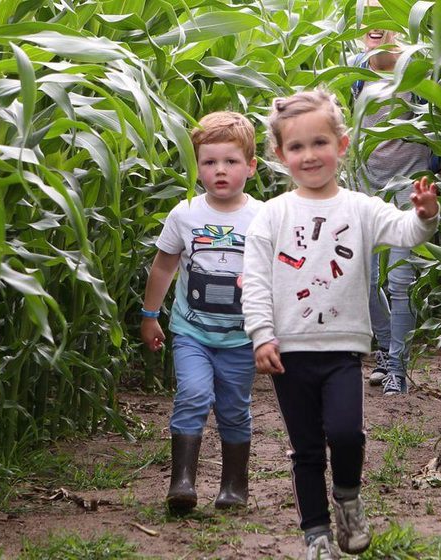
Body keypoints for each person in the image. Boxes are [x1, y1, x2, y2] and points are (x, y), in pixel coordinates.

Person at [242, 90, 441, 559]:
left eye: (320, 143)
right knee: (306, 449)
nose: (309, 155)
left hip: (343, 348)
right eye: (297, 147)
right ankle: (316, 536)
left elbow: (406, 231)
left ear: (342, 144)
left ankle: (348, 499)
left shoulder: (360, 208)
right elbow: (253, 280)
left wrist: (426, 215)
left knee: (347, 433)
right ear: (279, 155)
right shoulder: (272, 215)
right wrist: (261, 334)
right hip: (289, 349)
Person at [138, 111, 262, 513]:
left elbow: (277, 273)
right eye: (209, 162)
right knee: (191, 394)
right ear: (197, 167)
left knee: (233, 408)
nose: (219, 171)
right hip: (192, 331)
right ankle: (182, 483)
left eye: (230, 162)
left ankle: (233, 486)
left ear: (251, 166)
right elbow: (164, 265)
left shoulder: (263, 218)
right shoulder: (185, 213)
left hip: (241, 337)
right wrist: (149, 314)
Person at [349, 1, 441, 395]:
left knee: (401, 282)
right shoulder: (357, 70)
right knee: (366, 279)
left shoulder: (416, 68)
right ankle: (388, 350)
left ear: (398, 21)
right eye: (365, 15)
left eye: (382, 13)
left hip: (409, 188)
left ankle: (399, 369)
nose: (373, 24)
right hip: (366, 187)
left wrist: (440, 169)